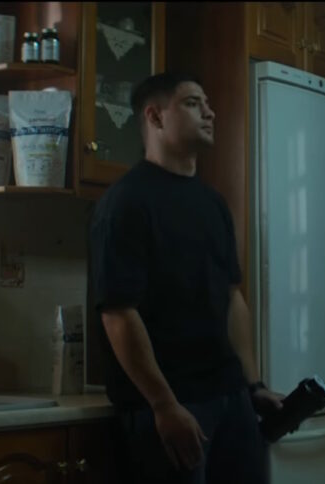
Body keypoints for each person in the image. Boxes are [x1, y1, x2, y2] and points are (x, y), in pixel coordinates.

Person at [89, 72, 284, 484]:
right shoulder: (125, 202)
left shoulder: (213, 203)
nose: (210, 113)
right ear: (155, 117)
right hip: (171, 406)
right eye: (193, 103)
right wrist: (163, 404)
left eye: (207, 103)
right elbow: (118, 313)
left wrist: (252, 385)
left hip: (231, 398)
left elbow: (232, 299)